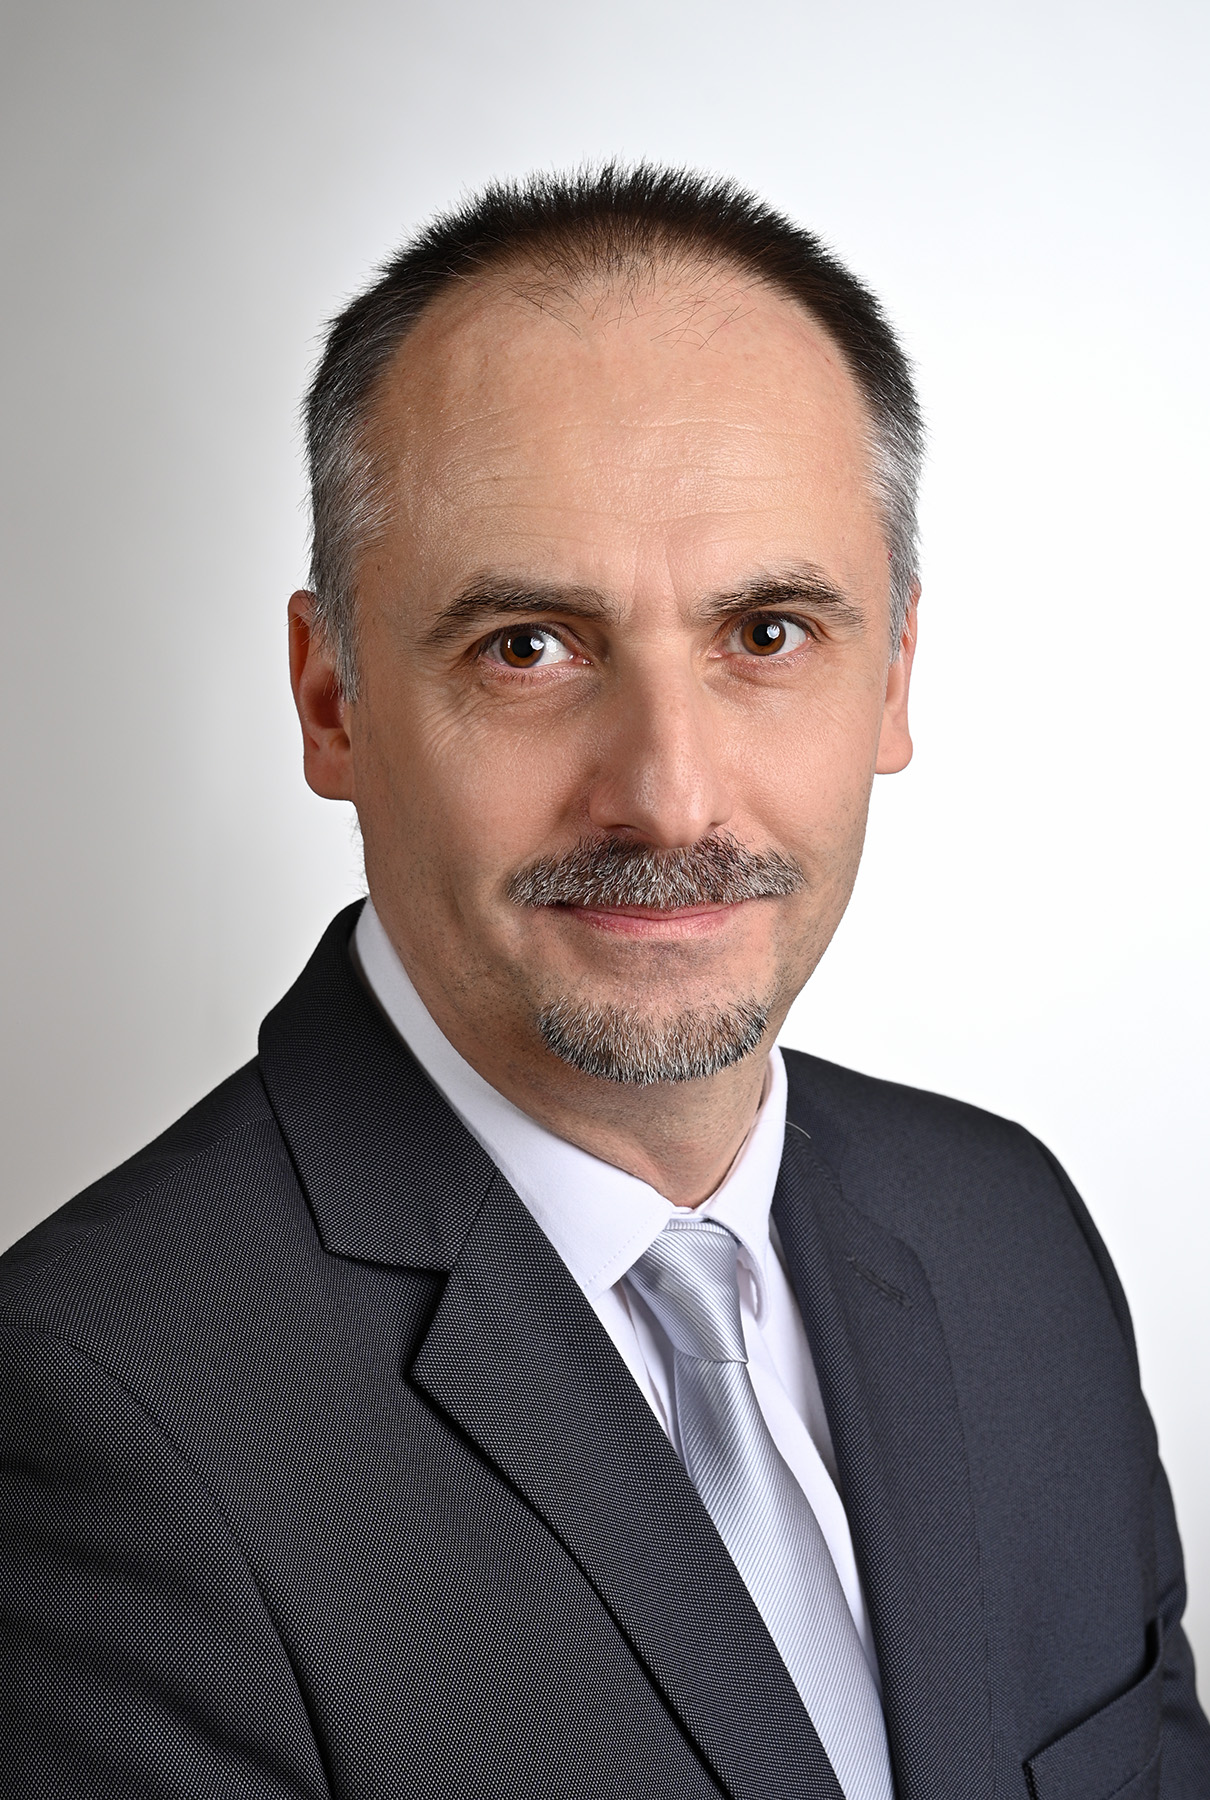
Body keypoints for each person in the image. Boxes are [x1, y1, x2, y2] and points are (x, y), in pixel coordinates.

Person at [1, 164, 1206, 1800]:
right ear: (333, 700)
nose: (669, 796)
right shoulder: (97, 1411)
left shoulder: (1005, 1234)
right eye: (528, 646)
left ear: (892, 679)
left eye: (766, 634)